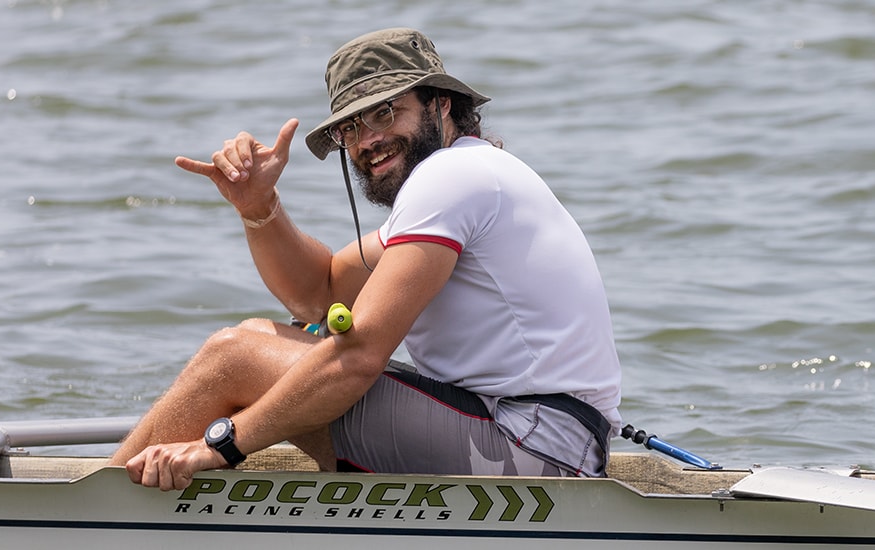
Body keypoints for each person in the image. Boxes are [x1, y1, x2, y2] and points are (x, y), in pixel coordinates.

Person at [111, 28, 622, 491]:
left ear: (441, 104)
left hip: (534, 453)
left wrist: (220, 444)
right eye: (351, 127)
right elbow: (322, 292)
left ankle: (91, 504)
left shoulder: (451, 178)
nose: (368, 140)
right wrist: (259, 207)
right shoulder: (469, 177)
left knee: (234, 356)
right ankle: (105, 492)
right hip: (541, 443)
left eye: (386, 112)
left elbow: (357, 360)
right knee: (258, 342)